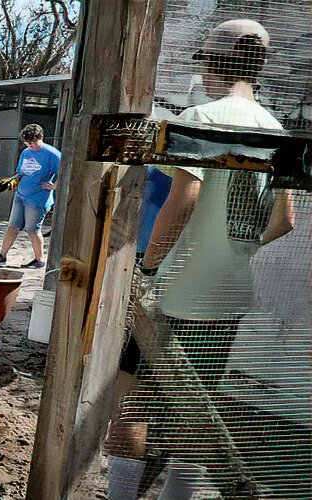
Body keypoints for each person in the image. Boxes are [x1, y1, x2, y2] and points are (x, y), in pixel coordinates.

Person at [105, 20, 296, 497]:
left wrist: (148, 266)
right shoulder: (277, 130)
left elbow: (182, 199)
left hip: (177, 294)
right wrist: (238, 248)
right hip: (229, 294)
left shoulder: (202, 117)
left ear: (215, 63)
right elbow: (286, 220)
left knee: (134, 402)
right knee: (198, 414)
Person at [0, 124, 58, 269]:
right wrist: (12, 180)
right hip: (21, 195)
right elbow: (21, 172)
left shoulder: (52, 154)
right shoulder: (26, 152)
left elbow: (65, 172)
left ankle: (39, 259)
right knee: (13, 226)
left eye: (32, 142)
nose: (30, 145)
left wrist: (55, 185)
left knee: (32, 229)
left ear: (40, 137)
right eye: (27, 142)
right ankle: (2, 255)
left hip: (38, 198)